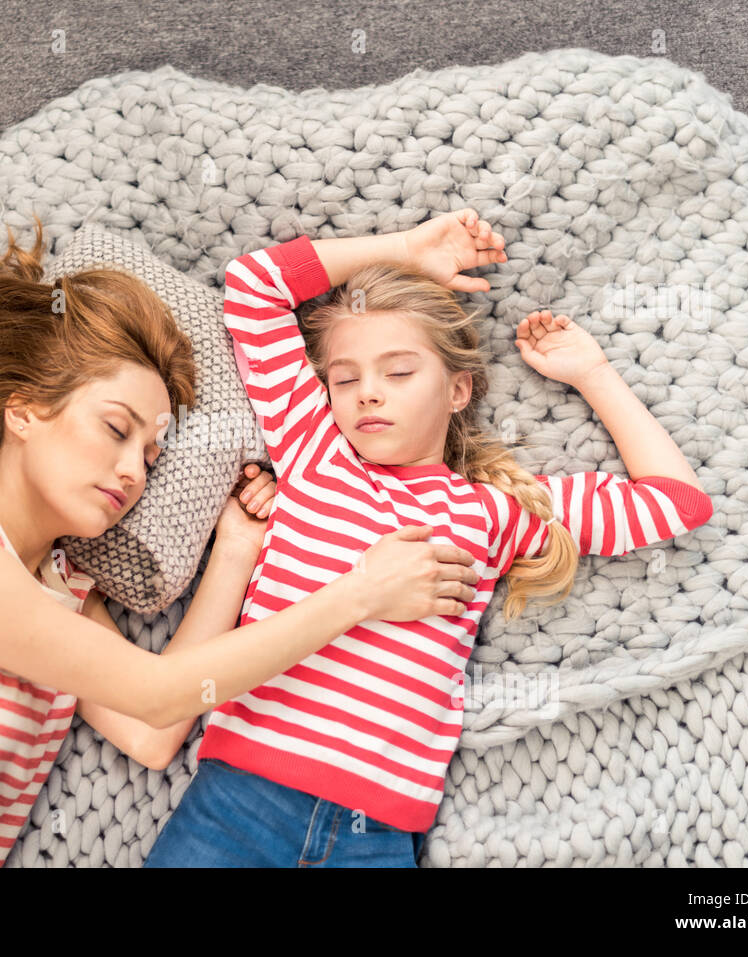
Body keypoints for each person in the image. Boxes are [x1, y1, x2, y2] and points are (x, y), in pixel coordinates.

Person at [0, 215, 480, 867]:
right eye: (116, 430)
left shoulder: (58, 593)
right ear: (24, 411)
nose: (132, 474)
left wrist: (238, 547)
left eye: (151, 457)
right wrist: (358, 595)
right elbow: (155, 691)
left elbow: (155, 731)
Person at [143, 209, 715, 867]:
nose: (368, 396)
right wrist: (408, 250)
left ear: (457, 388)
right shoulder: (314, 454)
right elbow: (253, 287)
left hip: (376, 835)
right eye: (345, 377)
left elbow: (676, 503)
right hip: (237, 805)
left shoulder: (492, 513)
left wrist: (593, 373)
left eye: (399, 372)